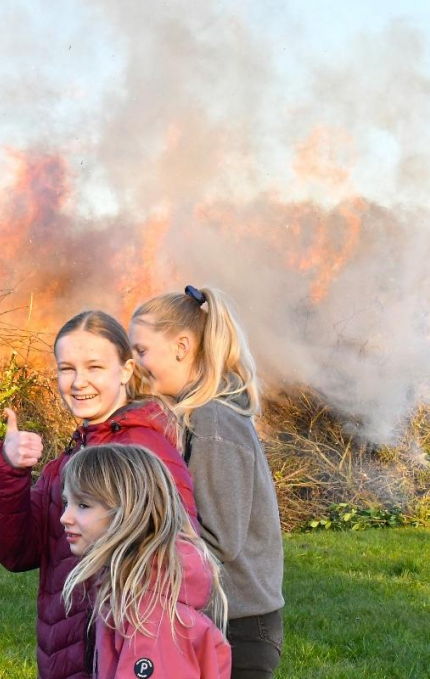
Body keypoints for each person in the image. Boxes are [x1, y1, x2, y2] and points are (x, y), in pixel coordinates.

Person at [0, 310, 197, 679]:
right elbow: (17, 552)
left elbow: (182, 565)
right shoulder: (73, 455)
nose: (78, 382)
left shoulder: (143, 450)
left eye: (94, 367)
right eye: (67, 368)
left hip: (116, 660)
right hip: (68, 657)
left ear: (126, 371)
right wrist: (7, 468)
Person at [130, 286, 285, 679]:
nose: (135, 363)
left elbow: (219, 540)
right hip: (216, 616)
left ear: (182, 346)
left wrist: (133, 552)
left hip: (238, 625)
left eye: (142, 350)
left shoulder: (213, 421)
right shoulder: (198, 416)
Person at [60, 444, 231, 678]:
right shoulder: (134, 592)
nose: (64, 517)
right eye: (65, 503)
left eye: (83, 505)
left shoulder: (149, 615)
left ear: (129, 512)